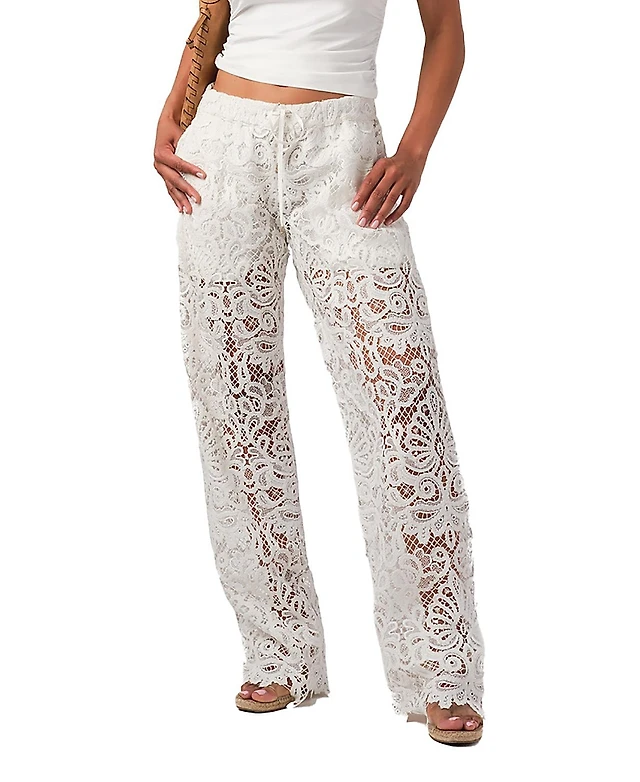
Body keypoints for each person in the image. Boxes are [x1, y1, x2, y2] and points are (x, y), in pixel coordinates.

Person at [153, 0, 485, 745]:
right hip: (221, 148)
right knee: (235, 409)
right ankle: (278, 649)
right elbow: (214, 15)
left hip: (343, 151)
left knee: (403, 412)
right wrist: (174, 109)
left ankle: (442, 670)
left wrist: (415, 151)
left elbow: (446, 32)